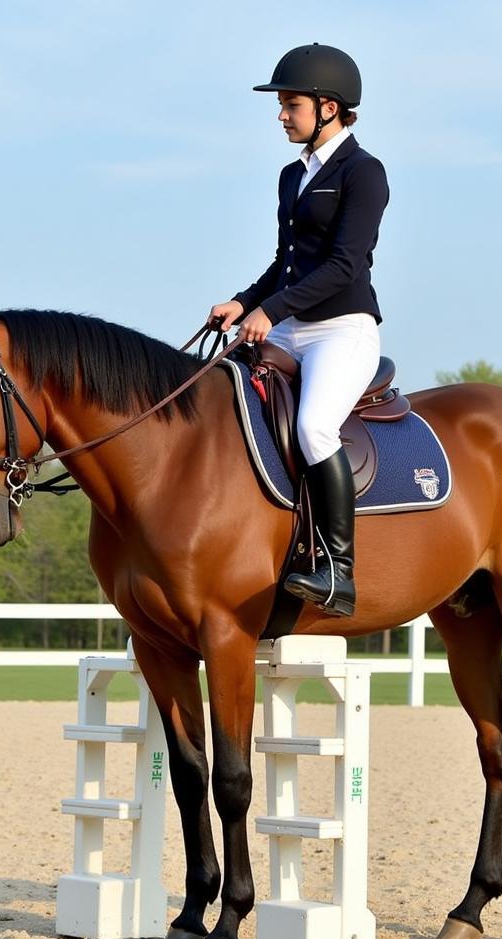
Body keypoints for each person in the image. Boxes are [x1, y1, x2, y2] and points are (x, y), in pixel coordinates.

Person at [209, 43, 389, 618]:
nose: (282, 115)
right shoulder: (293, 175)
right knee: (220, 393)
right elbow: (284, 262)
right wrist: (242, 303)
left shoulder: (364, 173)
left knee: (314, 428)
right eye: (282, 105)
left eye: (291, 105)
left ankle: (338, 571)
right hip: (289, 324)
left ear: (328, 107)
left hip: (343, 329)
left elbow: (344, 265)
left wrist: (272, 310)